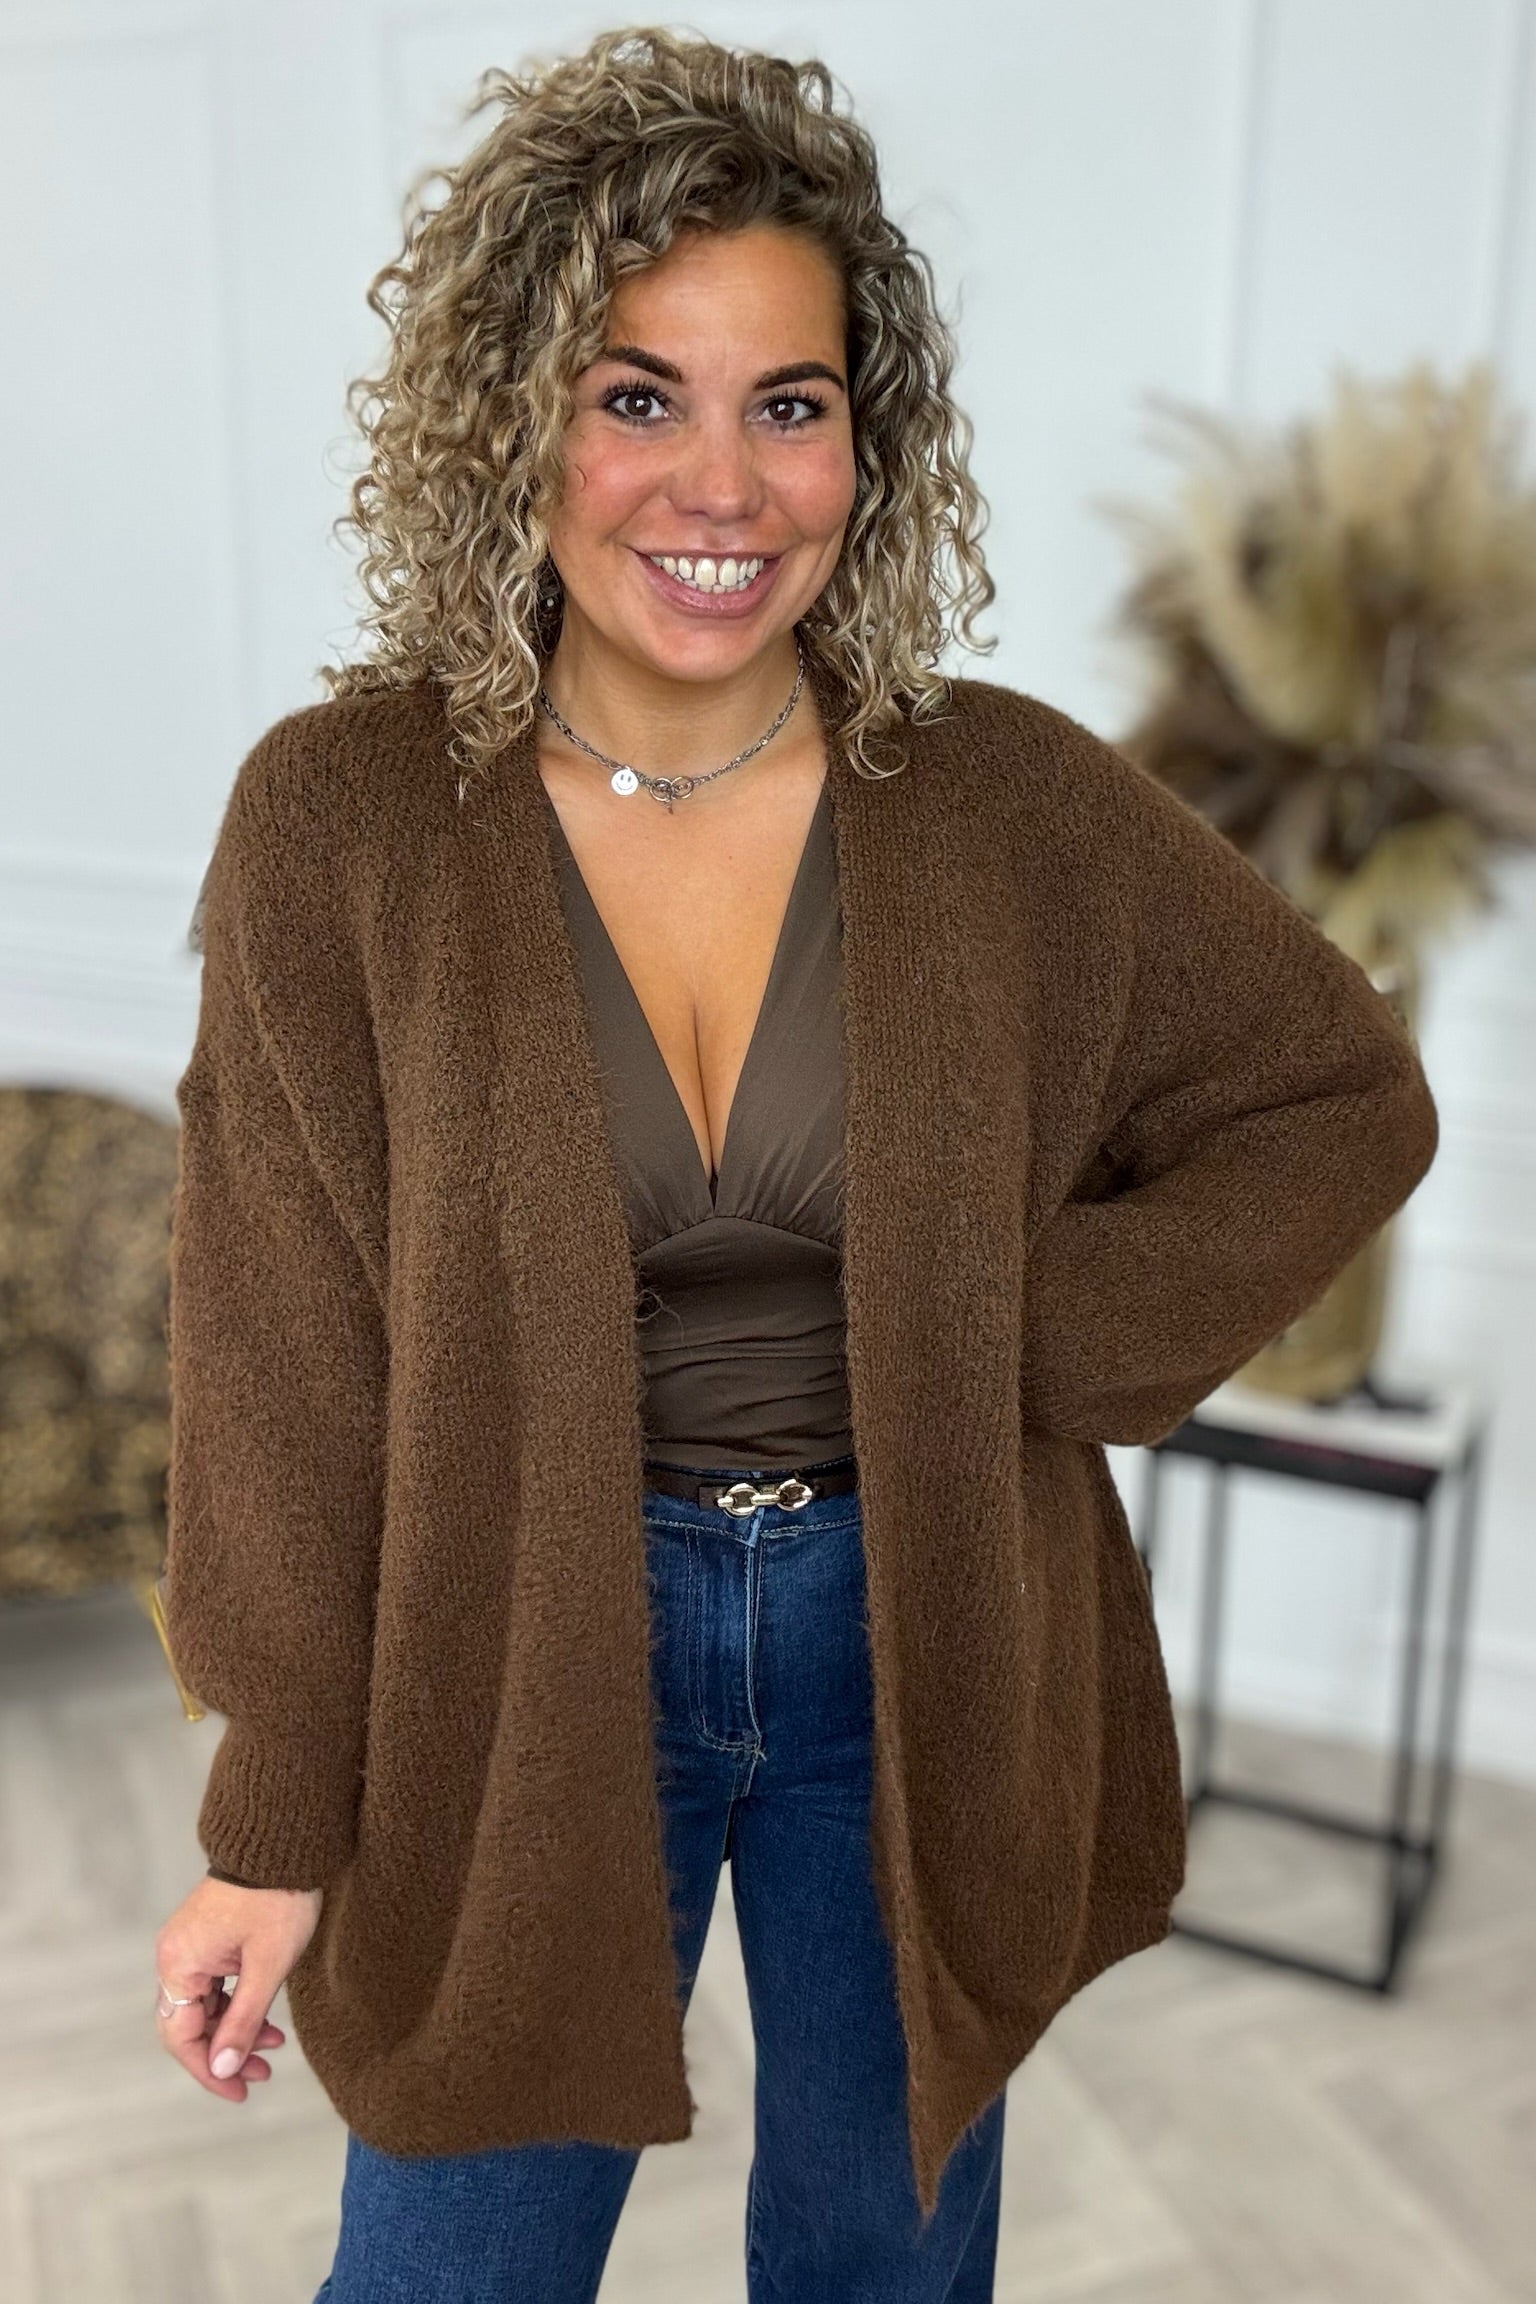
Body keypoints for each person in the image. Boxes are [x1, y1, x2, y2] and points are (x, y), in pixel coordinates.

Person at [151, 27, 1439, 2304]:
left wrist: (1019, 1339)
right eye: (636, 394)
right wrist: (273, 1819)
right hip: (515, 1644)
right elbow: (283, 1358)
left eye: (792, 402)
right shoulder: (342, 822)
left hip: (920, 1633)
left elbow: (1339, 1094)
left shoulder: (1002, 800)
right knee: (449, 2269)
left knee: (883, 2266)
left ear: (871, 435)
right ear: (511, 418)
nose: (722, 483)